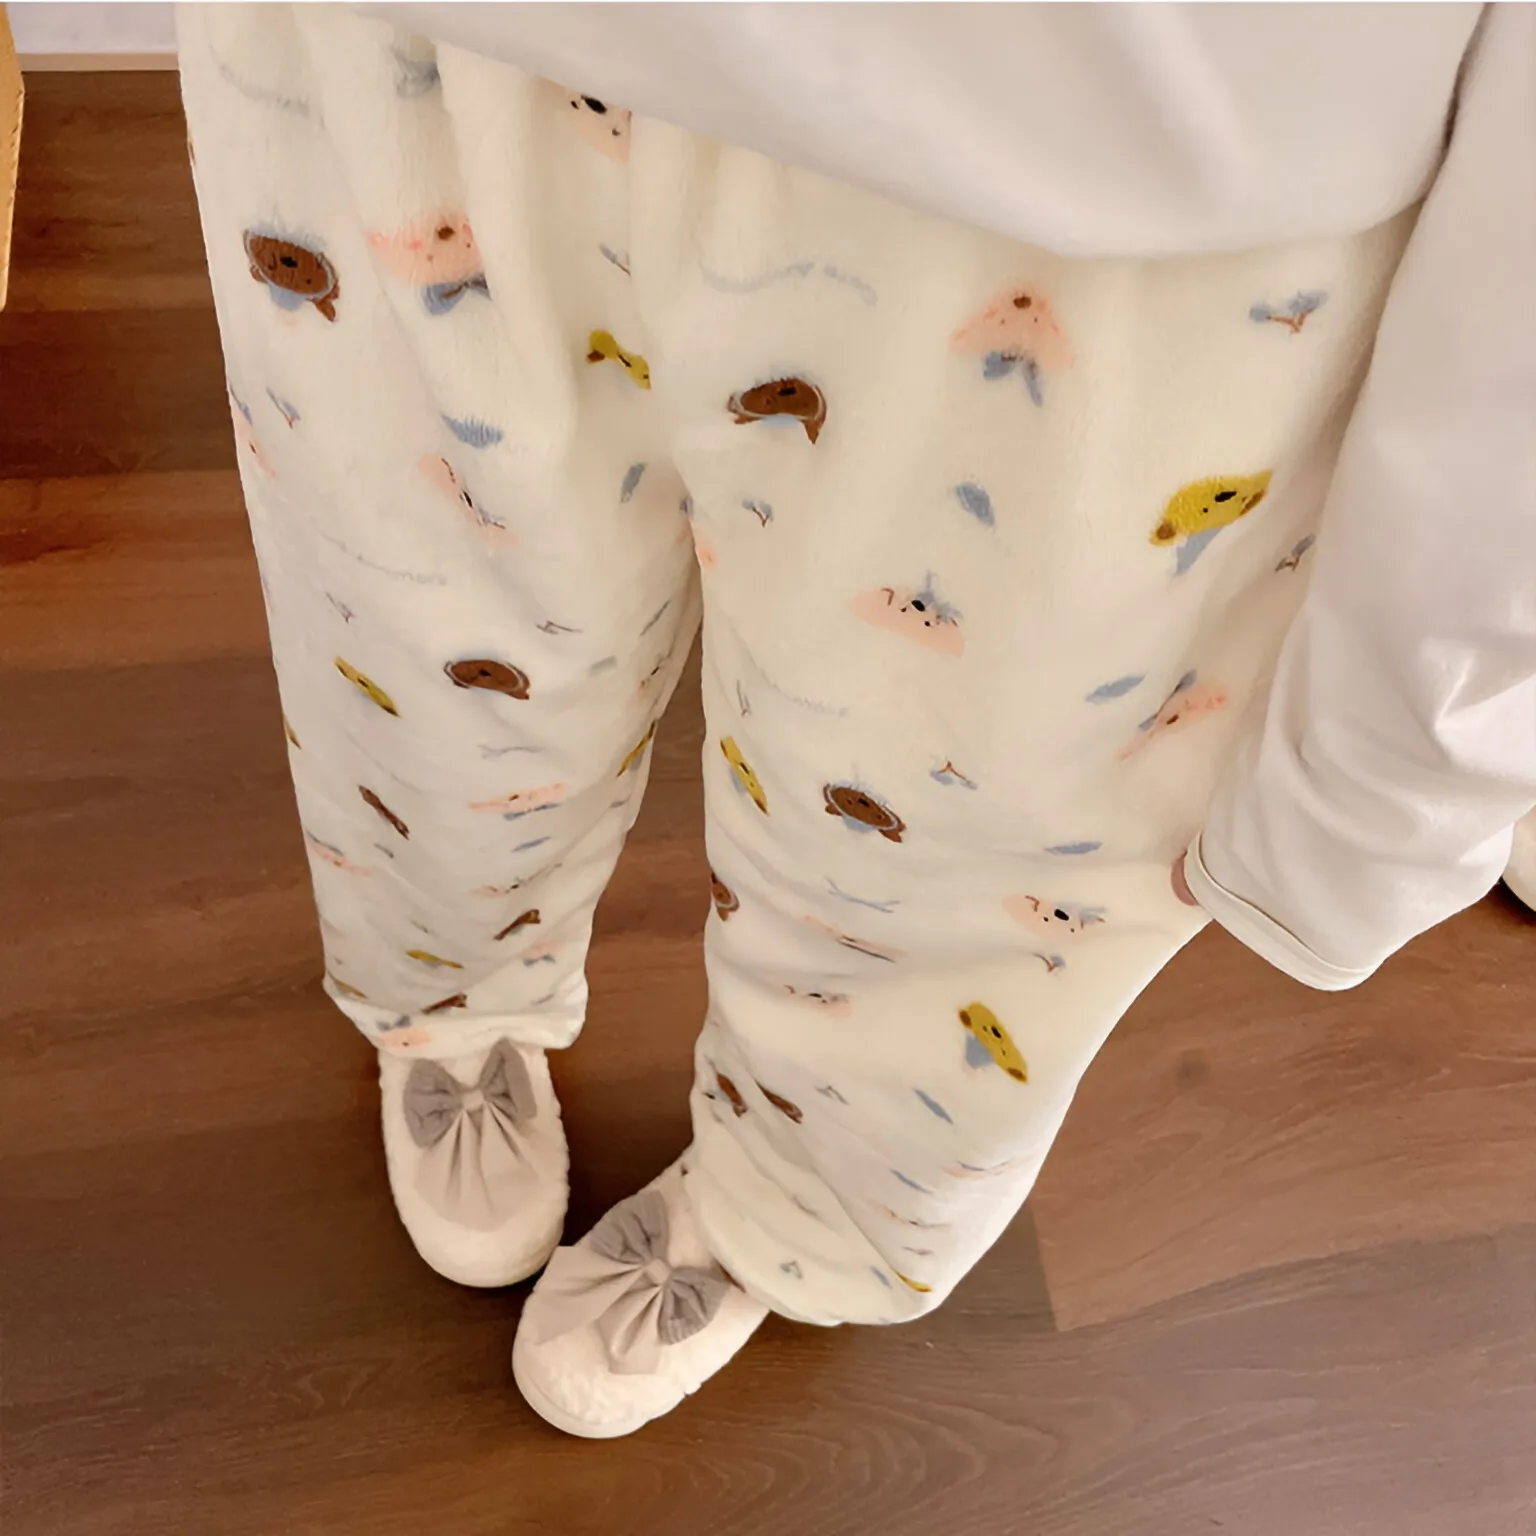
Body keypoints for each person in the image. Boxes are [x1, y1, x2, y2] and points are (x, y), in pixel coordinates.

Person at [176, 2, 1534, 1438]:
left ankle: (798, 1207)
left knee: (950, 833)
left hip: (1125, 159)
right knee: (418, 614)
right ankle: (449, 990)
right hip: (424, 42)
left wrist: (1400, 763)